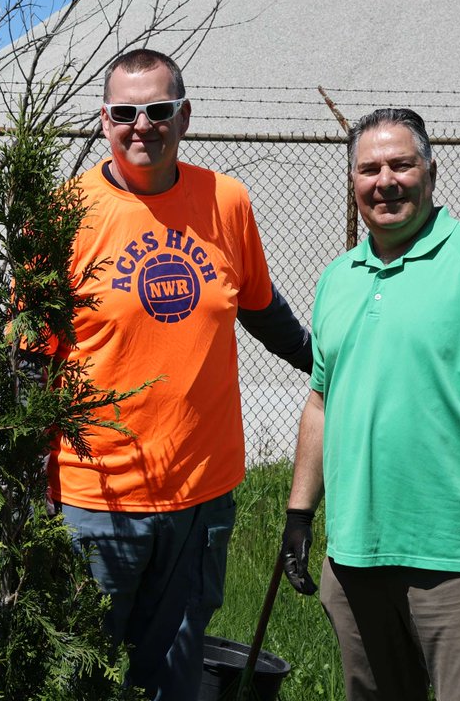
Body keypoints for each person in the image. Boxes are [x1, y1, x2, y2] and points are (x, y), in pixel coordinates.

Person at [46, 48, 311, 699]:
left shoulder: (226, 200)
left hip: (200, 498)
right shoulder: (64, 213)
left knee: (174, 678)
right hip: (94, 500)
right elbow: (29, 355)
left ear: (185, 116)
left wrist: (329, 361)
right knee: (85, 680)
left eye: (158, 109)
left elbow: (258, 307)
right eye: (125, 111)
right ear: (104, 120)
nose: (142, 124)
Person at [280, 108, 460, 700]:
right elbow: (321, 401)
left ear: (431, 172)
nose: (386, 181)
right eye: (369, 169)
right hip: (355, 558)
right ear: (353, 182)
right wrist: (300, 514)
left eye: (401, 165)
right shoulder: (338, 277)